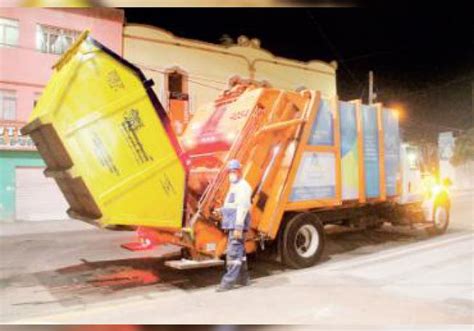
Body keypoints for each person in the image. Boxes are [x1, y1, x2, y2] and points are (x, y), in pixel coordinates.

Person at [216, 159, 252, 292]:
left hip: (237, 224)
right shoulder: (235, 186)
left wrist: (238, 226)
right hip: (233, 223)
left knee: (233, 253)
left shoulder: (243, 187)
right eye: (230, 171)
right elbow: (232, 205)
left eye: (234, 171)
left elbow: (242, 207)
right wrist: (221, 210)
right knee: (240, 252)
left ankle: (228, 282)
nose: (232, 174)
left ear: (240, 171)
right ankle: (244, 279)